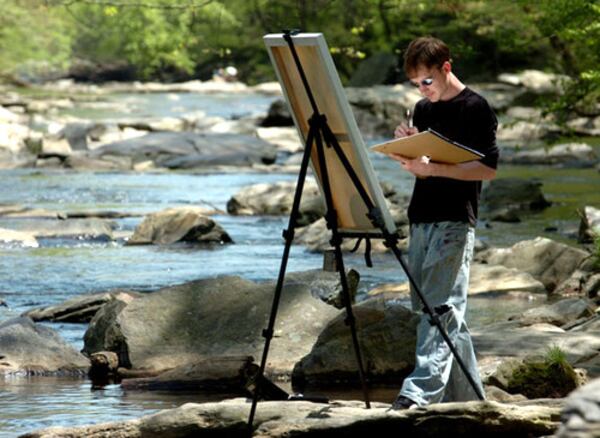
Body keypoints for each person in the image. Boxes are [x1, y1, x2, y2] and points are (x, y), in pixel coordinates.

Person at [387, 36, 499, 410]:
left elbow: (488, 168)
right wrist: (408, 152)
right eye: (415, 84)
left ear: (446, 68)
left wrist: (431, 167)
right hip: (420, 218)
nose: (422, 90)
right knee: (437, 311)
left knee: (440, 308)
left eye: (427, 81)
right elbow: (423, 174)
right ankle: (471, 401)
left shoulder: (476, 108)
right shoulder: (423, 109)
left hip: (455, 219)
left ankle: (417, 394)